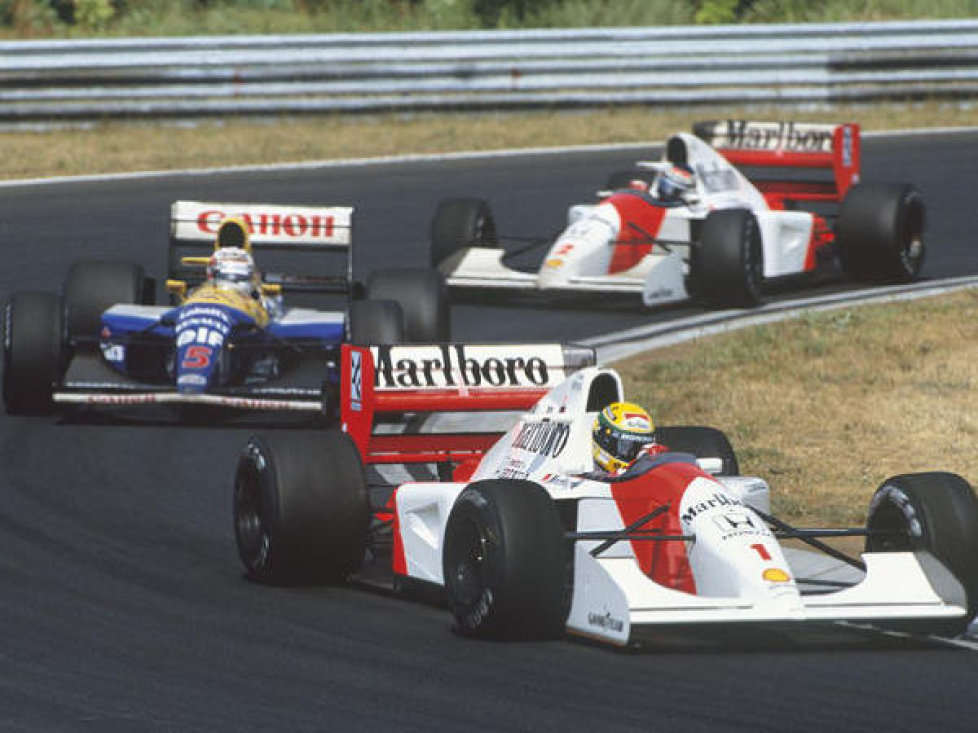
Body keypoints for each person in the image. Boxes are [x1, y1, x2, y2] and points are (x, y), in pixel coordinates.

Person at [592, 401, 662, 475]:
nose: (638, 456)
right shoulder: (587, 483)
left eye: (640, 448)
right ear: (605, 441)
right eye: (626, 446)